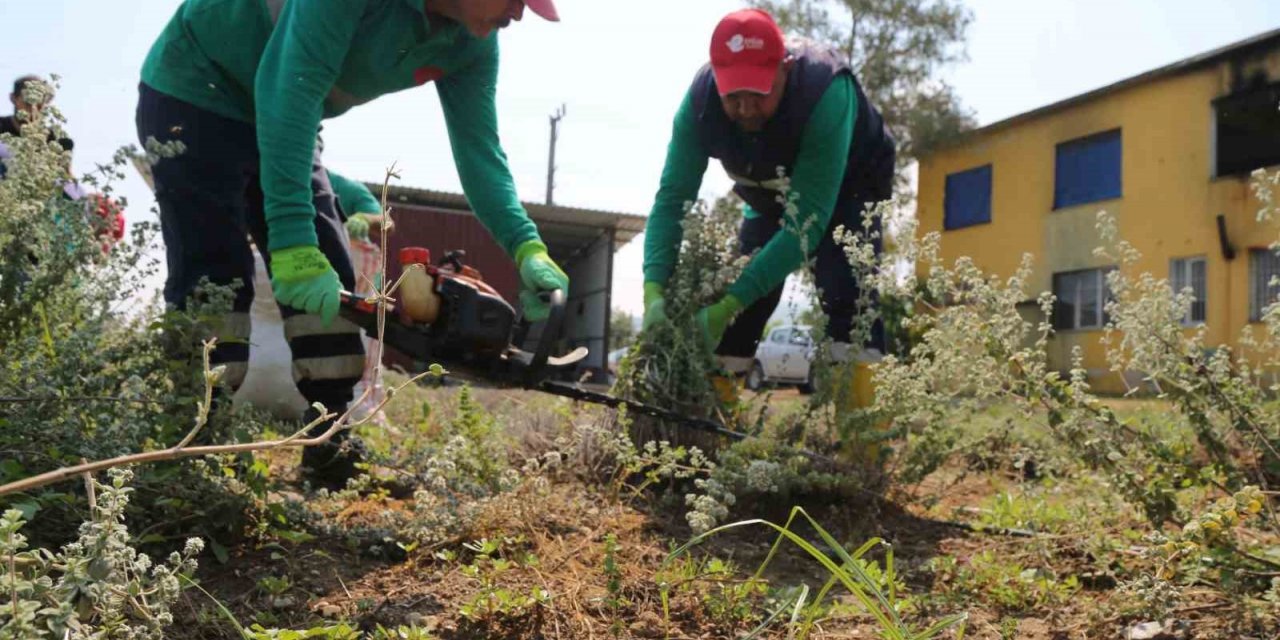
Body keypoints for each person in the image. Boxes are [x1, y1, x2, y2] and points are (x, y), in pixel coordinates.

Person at [135, 0, 570, 489]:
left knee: (333, 270)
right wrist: (293, 245)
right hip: (197, 88)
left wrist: (526, 245)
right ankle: (194, 445)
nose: (519, 14)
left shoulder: (473, 42)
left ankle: (331, 444)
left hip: (286, 108)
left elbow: (480, 154)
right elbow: (288, 89)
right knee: (214, 271)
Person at [641, 9, 896, 403]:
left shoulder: (825, 92)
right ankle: (712, 427)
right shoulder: (698, 106)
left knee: (848, 296)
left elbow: (804, 227)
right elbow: (672, 201)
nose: (745, 108)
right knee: (742, 300)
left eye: (758, 93)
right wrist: (653, 290)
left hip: (850, 187)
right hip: (767, 194)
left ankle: (862, 447)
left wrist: (726, 305)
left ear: (786, 68)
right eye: (733, 96)